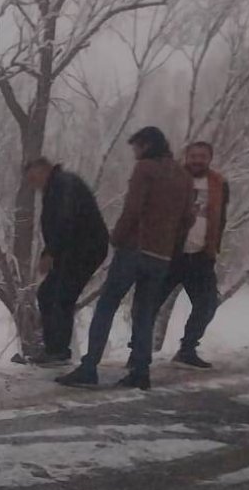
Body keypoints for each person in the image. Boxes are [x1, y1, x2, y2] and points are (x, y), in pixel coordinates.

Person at [57, 127, 194, 390]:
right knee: (144, 313)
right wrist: (171, 246)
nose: (134, 154)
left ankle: (89, 368)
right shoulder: (183, 176)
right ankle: (141, 372)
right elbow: (188, 218)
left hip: (135, 248)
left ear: (146, 145)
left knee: (106, 305)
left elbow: (133, 208)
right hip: (161, 255)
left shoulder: (145, 169)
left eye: (136, 148)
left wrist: (117, 238)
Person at [23, 158, 108, 367]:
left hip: (85, 249)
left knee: (62, 296)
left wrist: (50, 253)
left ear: (43, 169)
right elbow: (56, 227)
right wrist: (48, 252)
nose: (33, 185)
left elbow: (65, 220)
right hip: (71, 249)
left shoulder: (63, 185)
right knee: (47, 293)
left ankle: (58, 352)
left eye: (33, 178)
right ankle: (54, 349)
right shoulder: (55, 187)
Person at [157, 141, 230, 369]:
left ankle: (187, 348)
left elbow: (221, 217)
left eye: (202, 156)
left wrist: (213, 247)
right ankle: (136, 351)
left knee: (207, 303)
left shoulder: (219, 183)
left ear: (209, 158)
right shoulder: (172, 178)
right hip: (171, 253)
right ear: (186, 156)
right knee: (149, 303)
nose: (197, 160)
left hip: (201, 255)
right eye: (194, 155)